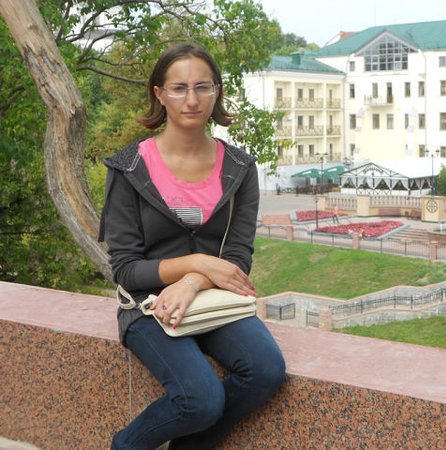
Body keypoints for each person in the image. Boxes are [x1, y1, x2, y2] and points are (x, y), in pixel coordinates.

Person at [99, 44, 286, 450]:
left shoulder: (239, 168)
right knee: (200, 400)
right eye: (179, 88)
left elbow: (237, 257)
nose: (192, 99)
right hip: (149, 306)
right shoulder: (129, 168)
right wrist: (196, 263)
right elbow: (125, 269)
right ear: (159, 94)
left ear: (217, 92)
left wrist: (192, 281)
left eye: (203, 87)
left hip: (214, 297)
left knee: (267, 370)